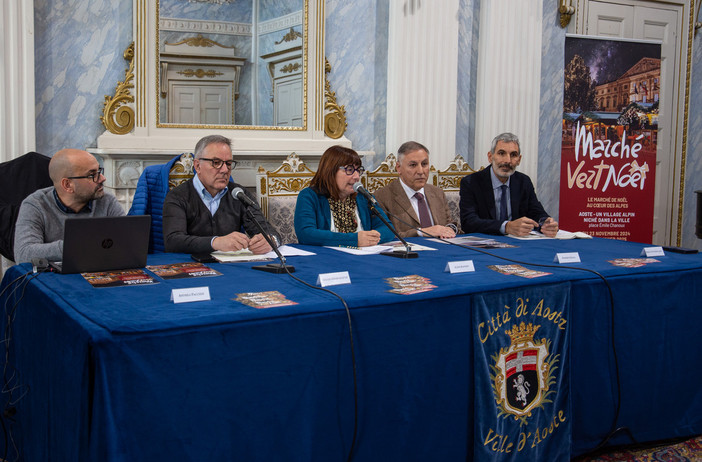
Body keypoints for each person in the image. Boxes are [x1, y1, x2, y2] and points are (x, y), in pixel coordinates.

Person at [162, 135, 280, 254]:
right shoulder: (178, 196)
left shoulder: (239, 194)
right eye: (216, 162)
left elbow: (269, 231)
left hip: (233, 266)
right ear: (197, 166)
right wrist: (216, 242)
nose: (224, 170)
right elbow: (173, 241)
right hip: (193, 266)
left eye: (228, 163)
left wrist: (271, 241)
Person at [13, 149, 125, 263]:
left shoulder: (107, 201)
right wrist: (79, 245)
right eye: (92, 175)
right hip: (55, 278)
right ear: (67, 185)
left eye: (99, 171)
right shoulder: (35, 205)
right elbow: (23, 254)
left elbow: (127, 242)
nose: (102, 178)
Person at [459, 132, 558, 237]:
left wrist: (545, 223)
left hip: (519, 243)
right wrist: (506, 227)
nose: (507, 161)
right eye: (501, 153)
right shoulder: (471, 182)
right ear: (490, 156)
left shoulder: (523, 181)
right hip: (485, 244)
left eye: (513, 155)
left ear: (519, 160)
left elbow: (535, 212)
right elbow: (469, 222)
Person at [294, 145, 394, 247]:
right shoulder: (309, 196)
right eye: (349, 170)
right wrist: (354, 240)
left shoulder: (363, 197)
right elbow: (306, 234)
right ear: (330, 171)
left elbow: (388, 229)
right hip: (326, 258)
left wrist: (371, 238)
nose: (356, 177)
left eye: (358, 170)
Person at [374, 141, 457, 238]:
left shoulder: (437, 193)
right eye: (413, 165)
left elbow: (449, 223)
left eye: (424, 164)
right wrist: (421, 232)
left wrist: (450, 229)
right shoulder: (382, 197)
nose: (421, 171)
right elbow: (384, 236)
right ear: (398, 168)